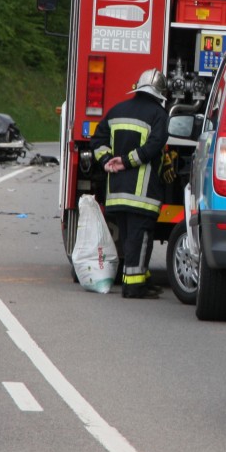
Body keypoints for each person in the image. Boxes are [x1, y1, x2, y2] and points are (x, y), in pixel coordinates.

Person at [90, 68, 170, 298]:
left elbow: (97, 140)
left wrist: (106, 161)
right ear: (160, 93)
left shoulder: (117, 110)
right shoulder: (159, 116)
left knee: (130, 239)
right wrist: (126, 161)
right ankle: (133, 287)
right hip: (142, 196)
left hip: (116, 192)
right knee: (140, 238)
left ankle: (141, 279)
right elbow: (153, 146)